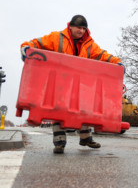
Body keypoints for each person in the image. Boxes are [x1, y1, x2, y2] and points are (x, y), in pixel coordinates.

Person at [21, 15, 125, 154]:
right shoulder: (56, 38)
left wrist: (117, 63)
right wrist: (26, 48)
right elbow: (35, 43)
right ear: (70, 26)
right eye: (79, 27)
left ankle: (85, 138)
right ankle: (59, 142)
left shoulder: (89, 44)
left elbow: (103, 55)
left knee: (85, 110)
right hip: (60, 83)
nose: (81, 31)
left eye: (84, 28)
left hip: (81, 85)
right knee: (59, 111)